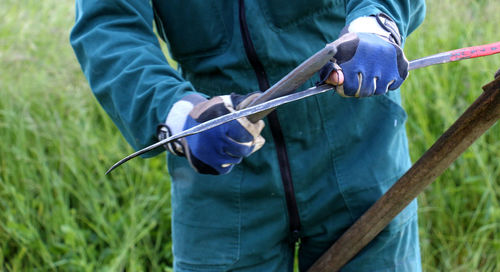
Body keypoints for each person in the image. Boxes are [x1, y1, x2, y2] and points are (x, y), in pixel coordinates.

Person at [71, 0, 426, 271]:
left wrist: (377, 23)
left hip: (360, 147)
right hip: (219, 169)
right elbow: (109, 26)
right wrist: (177, 114)